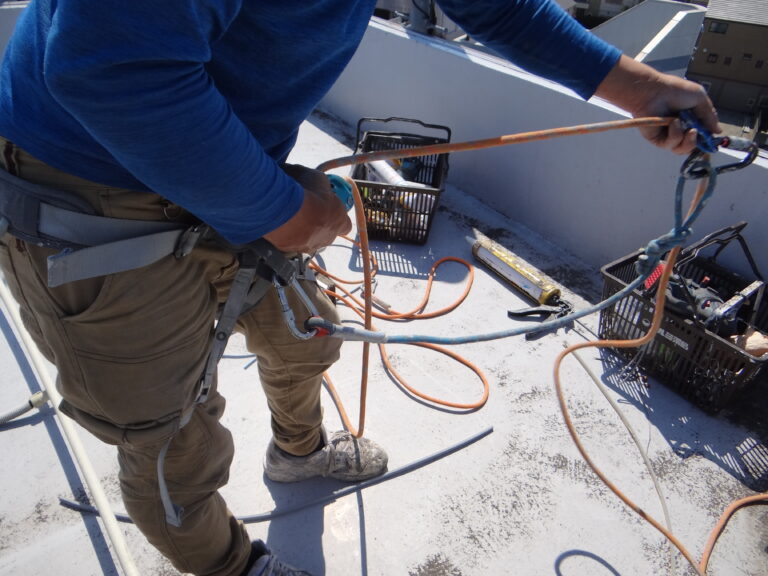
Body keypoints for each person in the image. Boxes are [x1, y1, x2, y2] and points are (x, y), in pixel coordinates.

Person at [0, 1, 719, 575]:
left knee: (304, 335)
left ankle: (298, 451)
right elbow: (112, 69)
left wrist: (638, 88)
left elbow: (497, 8)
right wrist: (287, 215)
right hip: (90, 190)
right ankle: (232, 567)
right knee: (168, 441)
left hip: (231, 158)